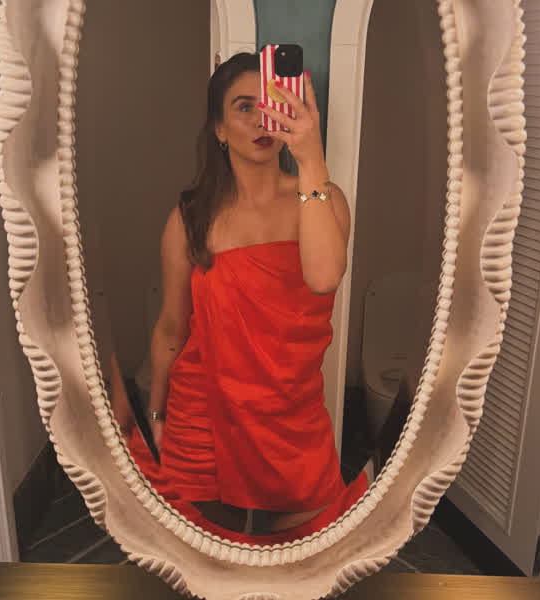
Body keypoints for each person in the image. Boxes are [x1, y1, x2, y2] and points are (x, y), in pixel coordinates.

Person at [123, 52, 368, 537]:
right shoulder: (191, 218)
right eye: (243, 107)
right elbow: (171, 330)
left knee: (303, 561)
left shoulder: (323, 198)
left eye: (271, 103)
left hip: (291, 421)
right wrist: (157, 413)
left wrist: (311, 157)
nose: (260, 118)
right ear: (219, 128)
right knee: (208, 561)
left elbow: (324, 278)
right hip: (204, 418)